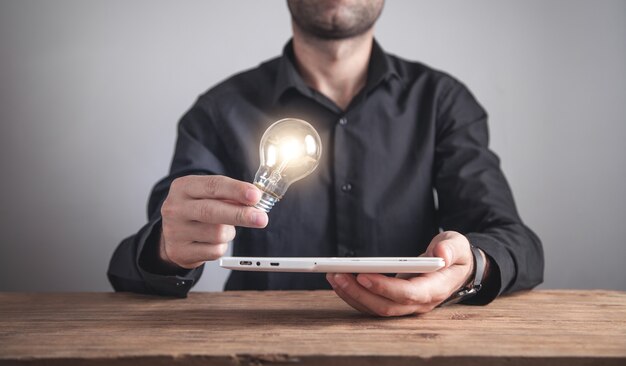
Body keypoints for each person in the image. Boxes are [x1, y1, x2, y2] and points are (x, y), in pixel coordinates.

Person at [108, 0, 544, 316]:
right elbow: (146, 255)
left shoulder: (442, 102)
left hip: (411, 345)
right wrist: (169, 248)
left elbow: (514, 240)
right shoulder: (220, 110)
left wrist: (470, 267)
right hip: (253, 345)